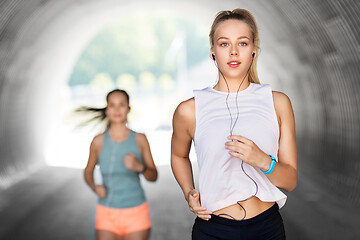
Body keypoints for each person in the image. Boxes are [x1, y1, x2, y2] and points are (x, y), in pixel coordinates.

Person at [171, 9, 297, 240]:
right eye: (224, 44)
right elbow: (179, 156)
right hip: (213, 229)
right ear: (212, 52)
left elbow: (289, 181)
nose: (233, 51)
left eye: (242, 43)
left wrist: (261, 160)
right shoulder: (190, 109)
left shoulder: (277, 103)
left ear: (253, 52)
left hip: (266, 228)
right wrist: (189, 191)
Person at [83, 89, 158, 240]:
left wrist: (140, 167)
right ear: (107, 110)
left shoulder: (140, 139)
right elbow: (88, 171)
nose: (117, 109)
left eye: (122, 105)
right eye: (112, 105)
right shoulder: (98, 141)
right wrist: (94, 186)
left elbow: (153, 176)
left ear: (128, 109)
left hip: (136, 212)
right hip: (106, 213)